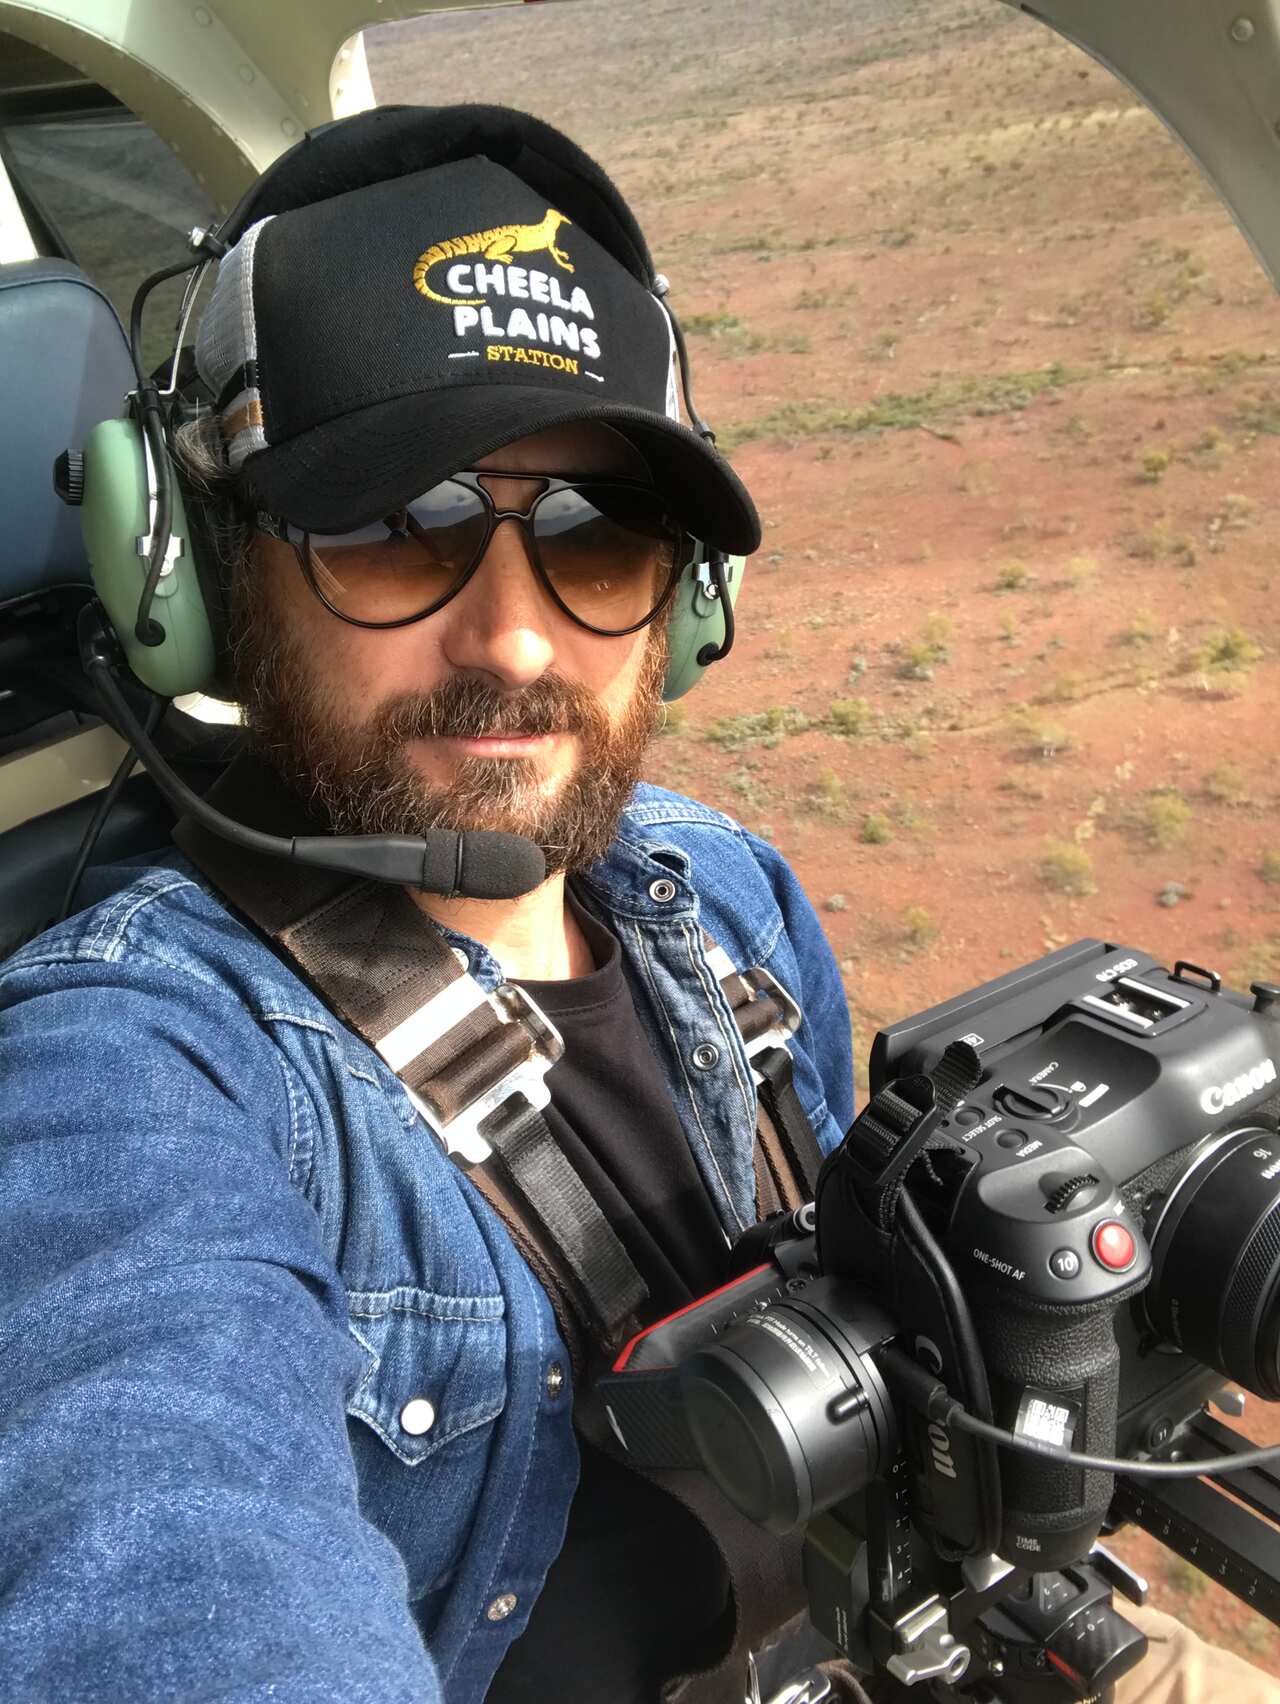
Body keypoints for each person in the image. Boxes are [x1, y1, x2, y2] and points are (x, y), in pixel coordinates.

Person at [0, 104, 1274, 1704]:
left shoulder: (722, 890)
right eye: (399, 531)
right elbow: (164, 1543)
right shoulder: (132, 1079)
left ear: (689, 608)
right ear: (195, 568)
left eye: (601, 541)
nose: (518, 643)